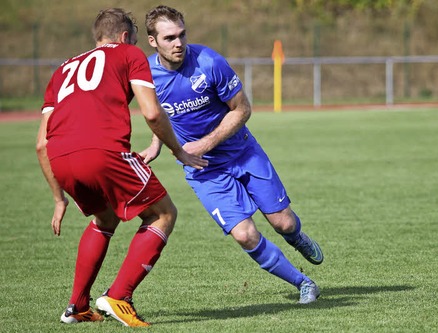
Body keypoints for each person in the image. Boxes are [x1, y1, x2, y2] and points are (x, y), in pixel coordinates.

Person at [35, 8, 208, 327]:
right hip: (102, 152)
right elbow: (152, 113)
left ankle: (77, 306)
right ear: (126, 37)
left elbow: (41, 143)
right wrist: (178, 150)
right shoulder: (129, 53)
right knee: (163, 213)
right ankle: (119, 296)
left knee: (105, 216)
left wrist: (59, 200)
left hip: (60, 158)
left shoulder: (62, 69)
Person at [141, 5, 323, 304]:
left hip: (243, 153)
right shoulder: (147, 76)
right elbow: (159, 113)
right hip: (205, 171)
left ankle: (296, 237)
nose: (178, 43)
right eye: (170, 37)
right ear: (153, 41)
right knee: (244, 235)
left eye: (182, 34)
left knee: (284, 224)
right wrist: (156, 145)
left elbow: (243, 109)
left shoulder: (209, 62)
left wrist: (205, 143)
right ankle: (304, 283)